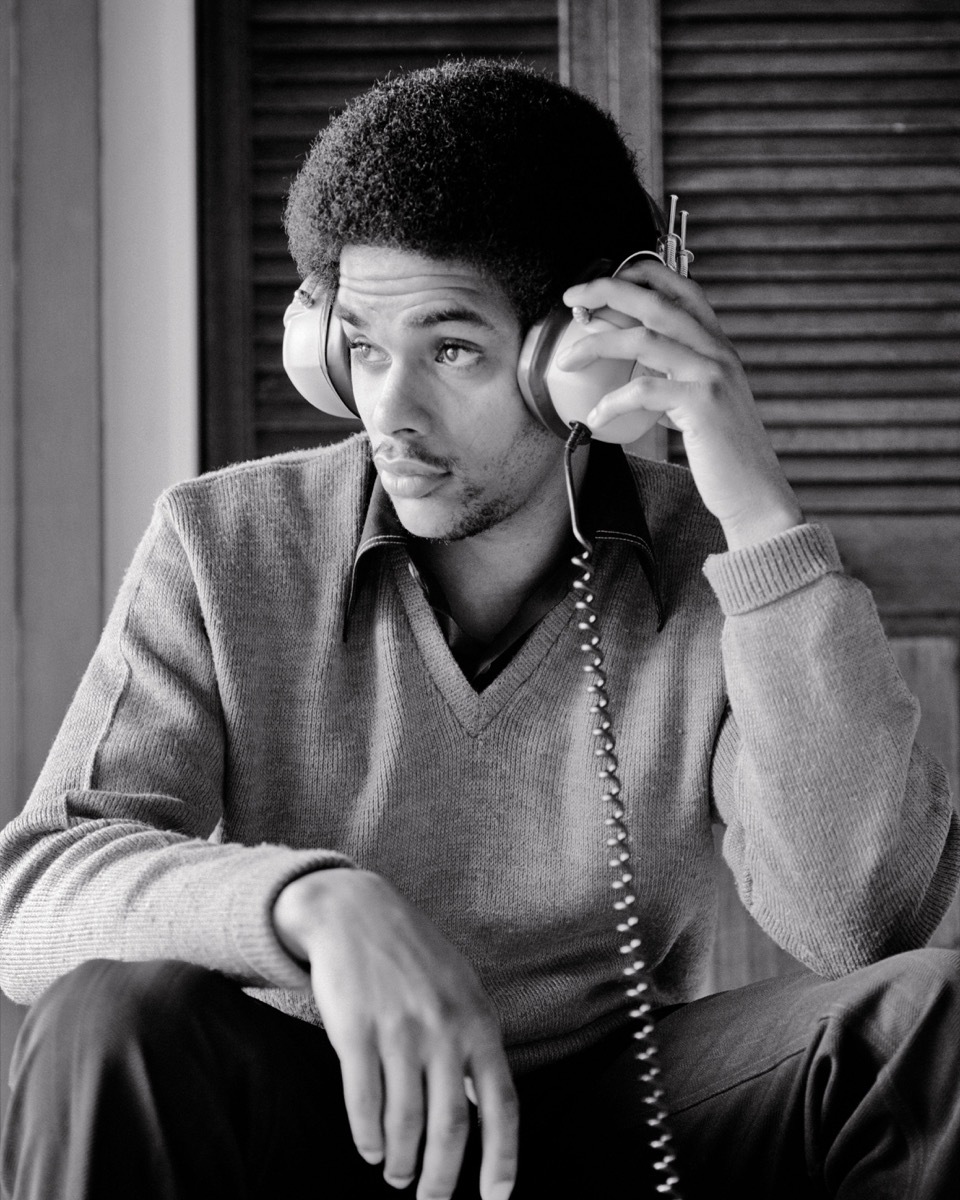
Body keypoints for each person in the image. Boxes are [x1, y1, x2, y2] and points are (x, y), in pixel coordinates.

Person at [0, 58, 958, 1200]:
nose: (390, 412)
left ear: (582, 359)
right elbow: (34, 890)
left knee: (937, 1019)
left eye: (450, 350)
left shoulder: (714, 560)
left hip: (621, 1126)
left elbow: (868, 925)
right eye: (361, 347)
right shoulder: (225, 541)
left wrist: (755, 508)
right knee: (114, 1016)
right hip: (332, 1118)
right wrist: (307, 901)